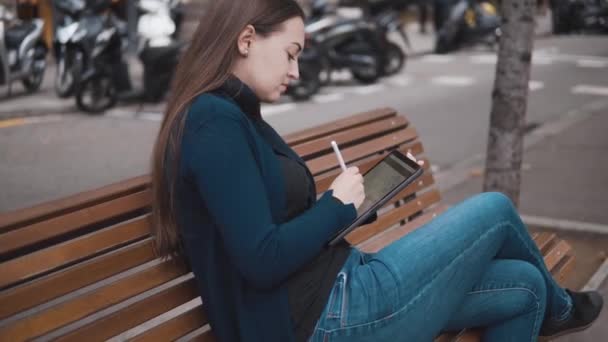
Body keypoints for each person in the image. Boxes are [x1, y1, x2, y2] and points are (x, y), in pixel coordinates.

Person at [149, 0, 603, 341]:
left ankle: (550, 305)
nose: (297, 70)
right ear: (246, 40)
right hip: (318, 317)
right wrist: (336, 206)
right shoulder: (213, 123)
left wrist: (350, 207)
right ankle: (562, 311)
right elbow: (262, 260)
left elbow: (272, 227)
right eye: (290, 53)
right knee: (494, 209)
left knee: (524, 287)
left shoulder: (235, 114)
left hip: (340, 287)